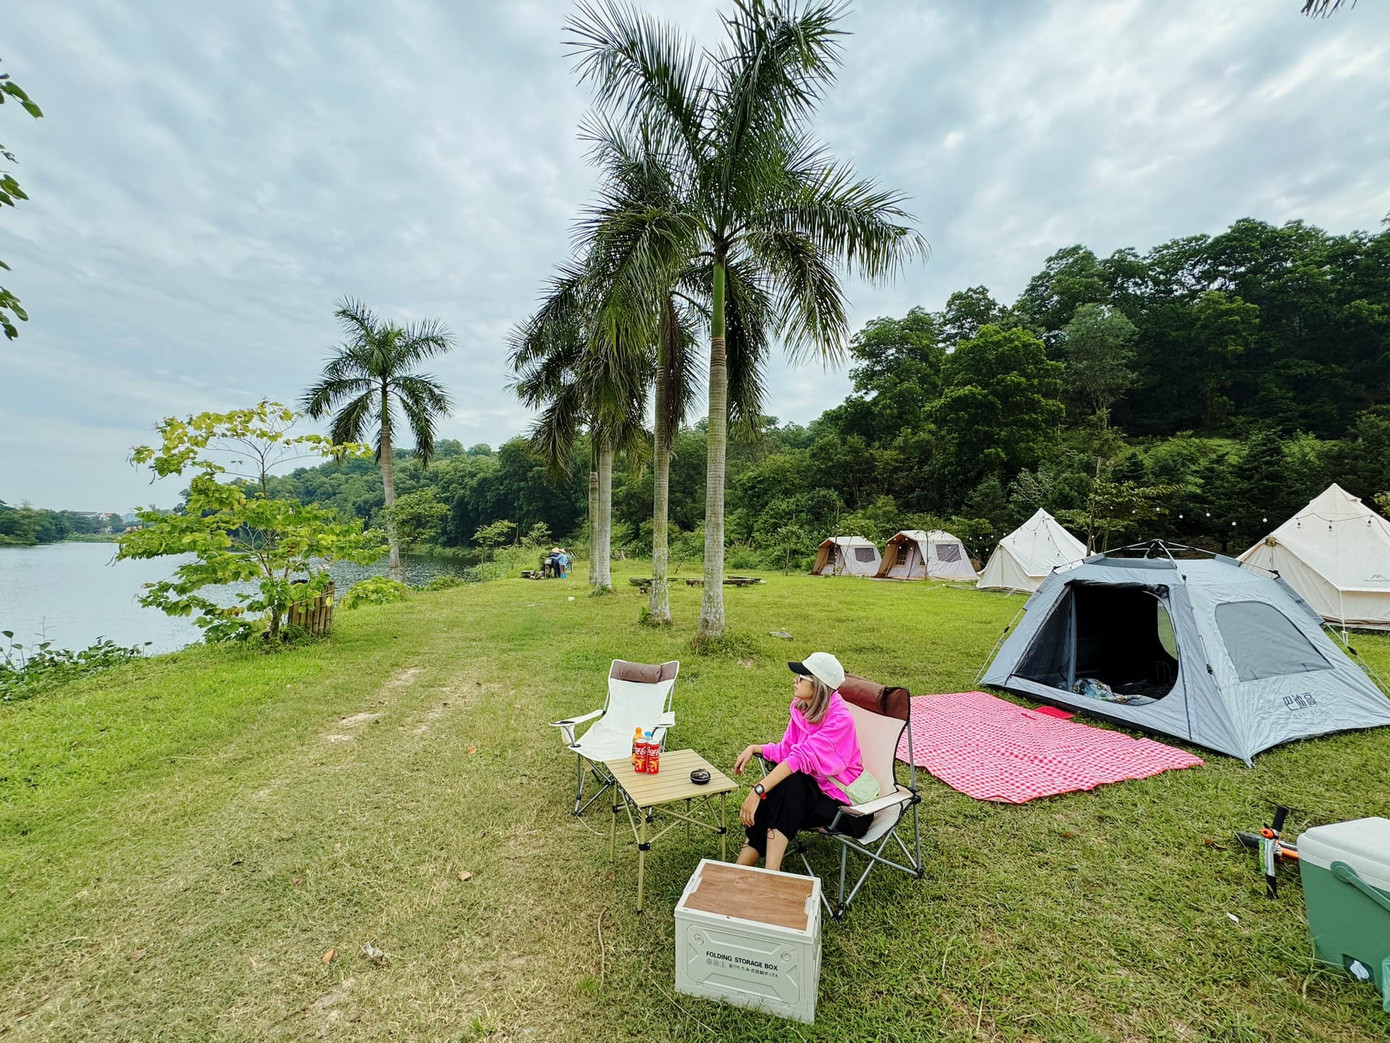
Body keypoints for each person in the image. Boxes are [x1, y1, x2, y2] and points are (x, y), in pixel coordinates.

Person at [732, 651, 872, 872]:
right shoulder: (802, 707)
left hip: (847, 808)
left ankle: (768, 873)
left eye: (800, 678)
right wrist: (756, 748)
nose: (794, 681)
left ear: (818, 685)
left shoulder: (840, 719)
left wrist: (758, 790)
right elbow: (787, 750)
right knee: (782, 789)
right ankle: (737, 872)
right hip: (811, 794)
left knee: (786, 785)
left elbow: (798, 758)